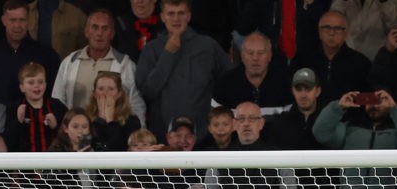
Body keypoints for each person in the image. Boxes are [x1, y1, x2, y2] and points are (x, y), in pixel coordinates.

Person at [135, 0, 230, 136]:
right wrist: (168, 54)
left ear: (189, 16)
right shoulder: (151, 49)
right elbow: (147, 91)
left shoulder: (208, 46)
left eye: (181, 13)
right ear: (162, 17)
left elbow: (229, 82)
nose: (176, 19)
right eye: (171, 13)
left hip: (205, 136)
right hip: (164, 137)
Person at [53, 8, 145, 121]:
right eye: (95, 27)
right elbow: (57, 101)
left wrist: (140, 135)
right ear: (86, 32)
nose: (99, 33)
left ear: (112, 34)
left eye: (105, 28)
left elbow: (136, 106)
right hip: (75, 134)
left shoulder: (126, 66)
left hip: (110, 135)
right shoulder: (69, 62)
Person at [0, 0, 61, 107]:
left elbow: (54, 93)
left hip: (33, 119)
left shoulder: (47, 55)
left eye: (22, 20)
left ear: (29, 21)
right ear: (4, 21)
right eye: (12, 20)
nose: (17, 25)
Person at [293, 10, 370, 105]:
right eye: (326, 27)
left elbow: (367, 99)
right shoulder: (304, 60)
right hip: (312, 117)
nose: (331, 33)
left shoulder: (361, 63)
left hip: (346, 116)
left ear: (345, 33)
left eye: (337, 28)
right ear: (319, 32)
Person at [211, 31, 291, 111]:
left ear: (270, 56)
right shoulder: (225, 84)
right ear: (242, 56)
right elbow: (216, 119)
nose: (255, 58)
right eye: (250, 53)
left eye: (261, 53)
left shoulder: (285, 83)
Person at [4, 61, 67, 152]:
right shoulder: (15, 108)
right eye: (31, 82)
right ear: (22, 87)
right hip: (24, 163)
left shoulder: (56, 106)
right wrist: (18, 122)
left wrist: (56, 127)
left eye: (40, 82)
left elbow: (70, 138)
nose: (36, 86)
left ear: (45, 85)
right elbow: (8, 142)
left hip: (53, 162)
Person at [84, 70, 141, 151]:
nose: (105, 93)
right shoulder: (84, 118)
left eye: (111, 89)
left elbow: (117, 148)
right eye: (101, 89)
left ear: (119, 94)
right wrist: (101, 119)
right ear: (94, 94)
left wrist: (110, 121)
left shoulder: (132, 121)